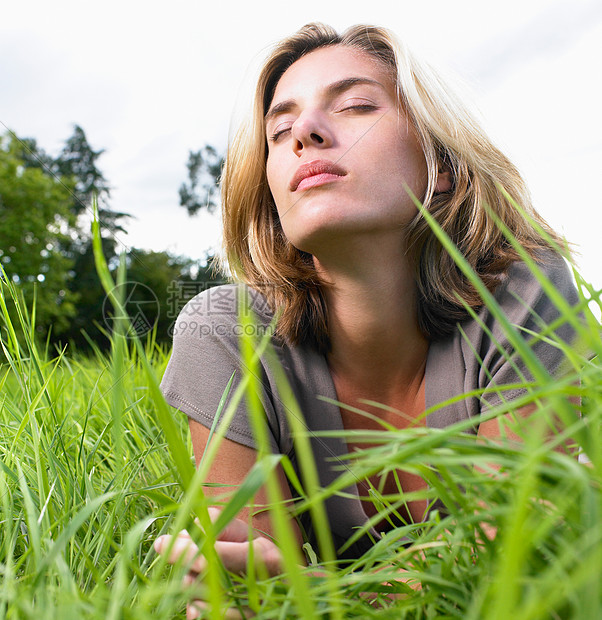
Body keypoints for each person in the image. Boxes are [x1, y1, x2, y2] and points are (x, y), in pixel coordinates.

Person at [154, 21, 579, 609]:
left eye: (355, 105)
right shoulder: (223, 334)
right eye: (279, 131)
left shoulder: (529, 286)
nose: (303, 132)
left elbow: (510, 559)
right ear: (274, 197)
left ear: (443, 160)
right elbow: (255, 591)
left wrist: (319, 596)